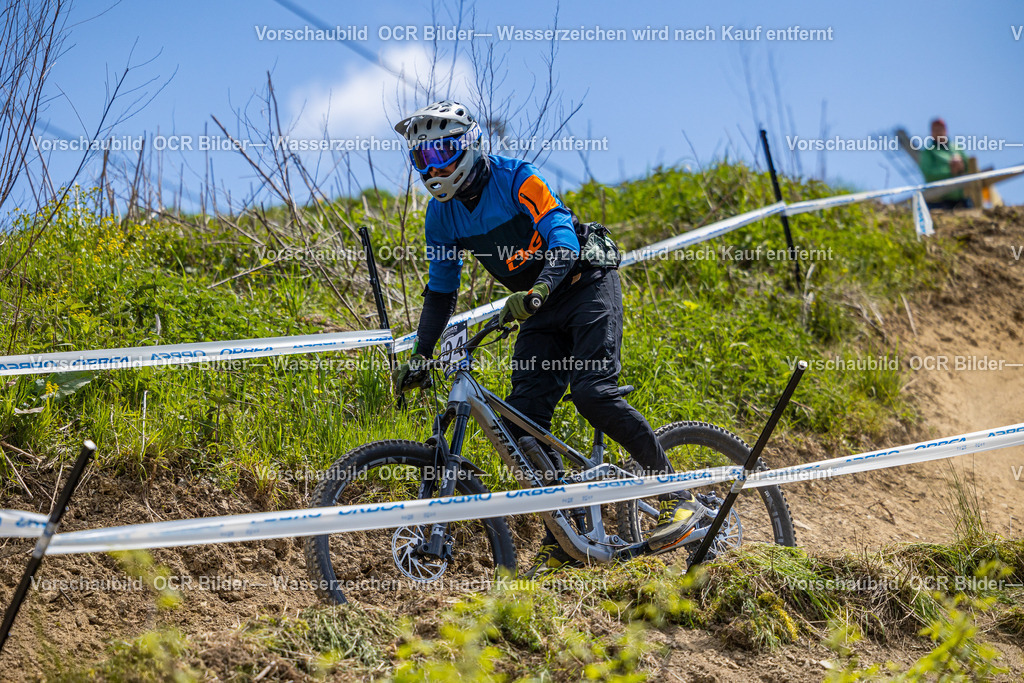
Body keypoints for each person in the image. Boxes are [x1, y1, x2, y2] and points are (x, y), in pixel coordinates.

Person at [390, 100, 702, 577]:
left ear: (470, 145)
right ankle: (572, 531)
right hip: (537, 304)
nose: (435, 167)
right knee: (519, 420)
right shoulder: (441, 216)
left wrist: (538, 288)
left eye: (444, 152)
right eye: (423, 158)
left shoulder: (518, 177)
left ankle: (679, 497)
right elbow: (440, 292)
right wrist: (421, 354)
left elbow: (562, 235)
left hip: (583, 282)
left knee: (593, 394)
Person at [918, 118, 973, 209]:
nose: (938, 132)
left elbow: (970, 166)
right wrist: (950, 171)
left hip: (963, 199)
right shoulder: (928, 152)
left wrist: (962, 167)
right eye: (935, 130)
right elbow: (928, 173)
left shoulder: (956, 148)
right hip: (939, 202)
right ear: (931, 133)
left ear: (945, 130)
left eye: (940, 129)